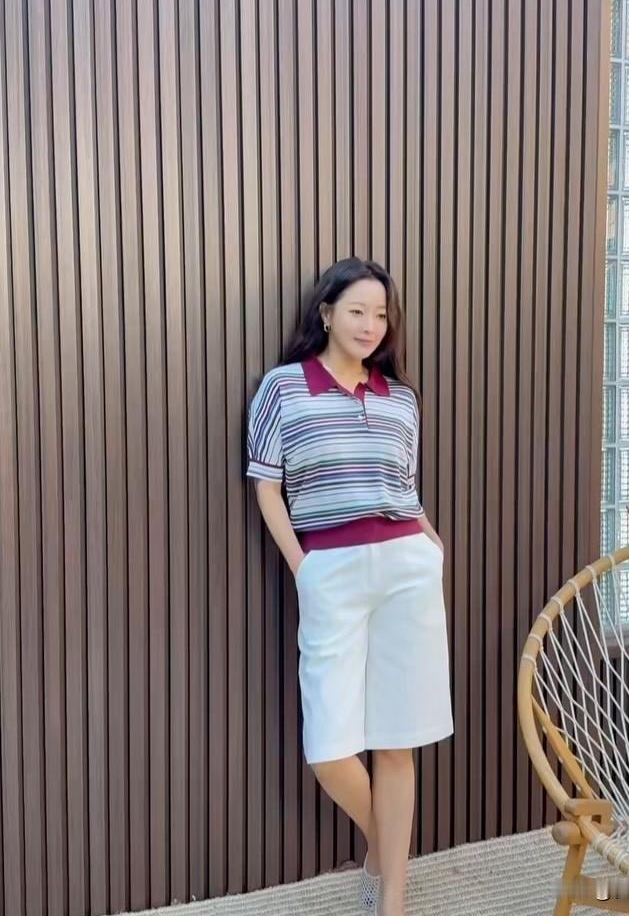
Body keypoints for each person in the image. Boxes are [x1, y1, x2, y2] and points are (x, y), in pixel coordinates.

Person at [245, 257, 454, 916]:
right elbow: (267, 485)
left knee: (396, 739)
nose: (370, 325)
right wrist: (302, 567)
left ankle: (391, 900)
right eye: (358, 310)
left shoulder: (399, 398)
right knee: (331, 749)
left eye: (381, 314)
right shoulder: (284, 388)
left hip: (407, 566)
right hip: (329, 567)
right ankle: (383, 851)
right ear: (326, 312)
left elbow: (406, 487)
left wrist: (432, 545)